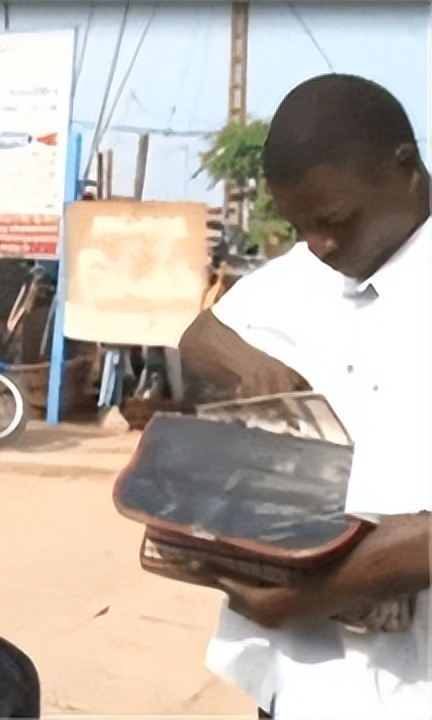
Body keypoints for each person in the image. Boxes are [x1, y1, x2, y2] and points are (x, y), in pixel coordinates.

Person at [177, 74, 430, 718]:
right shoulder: (315, 266)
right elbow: (200, 334)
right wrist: (249, 365)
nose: (319, 245)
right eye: (300, 226)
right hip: (302, 679)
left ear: (404, 168)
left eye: (333, 221)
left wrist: (312, 591)